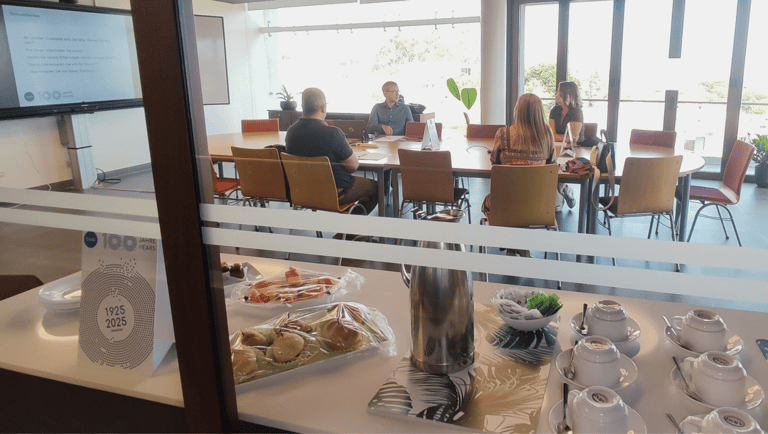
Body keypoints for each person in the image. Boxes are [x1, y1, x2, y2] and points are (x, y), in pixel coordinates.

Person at [285, 87, 378, 218]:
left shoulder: (291, 131)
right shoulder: (333, 133)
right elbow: (353, 166)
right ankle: (351, 226)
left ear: (303, 107)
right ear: (323, 108)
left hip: (302, 191)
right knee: (376, 187)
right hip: (335, 193)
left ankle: (347, 225)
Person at [482, 93, 556, 257]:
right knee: (523, 200)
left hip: (505, 205)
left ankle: (513, 245)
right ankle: (519, 247)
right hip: (538, 205)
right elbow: (552, 164)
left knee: (496, 201)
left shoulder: (503, 134)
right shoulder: (547, 135)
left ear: (518, 110)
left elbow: (495, 164)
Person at [549, 81, 583, 211]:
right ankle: (565, 191)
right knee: (551, 164)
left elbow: (574, 138)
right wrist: (564, 138)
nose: (556, 94)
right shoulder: (555, 110)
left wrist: (561, 137)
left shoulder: (576, 111)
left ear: (565, 95)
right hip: (557, 147)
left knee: (561, 166)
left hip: (574, 150)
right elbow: (551, 134)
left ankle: (560, 196)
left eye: (558, 92)